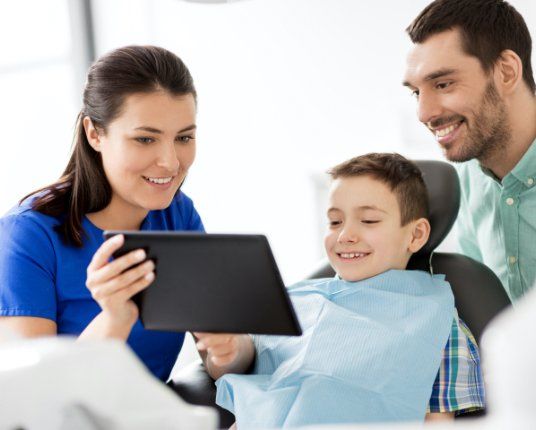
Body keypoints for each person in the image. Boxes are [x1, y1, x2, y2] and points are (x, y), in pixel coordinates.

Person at [0, 45, 251, 382]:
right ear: (94, 133)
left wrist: (229, 349)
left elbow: (223, 365)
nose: (171, 162)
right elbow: (36, 393)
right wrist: (115, 319)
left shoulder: (178, 216)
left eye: (184, 137)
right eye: (145, 139)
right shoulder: (27, 235)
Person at [196, 153, 485, 428]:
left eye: (369, 220)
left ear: (416, 234)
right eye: (335, 221)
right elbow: (245, 360)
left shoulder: (439, 325)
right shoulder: (297, 300)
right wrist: (228, 351)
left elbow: (438, 422)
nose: (345, 235)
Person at [403, 0, 536, 302]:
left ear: (505, 72)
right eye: (416, 92)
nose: (424, 113)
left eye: (443, 84)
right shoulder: (464, 181)